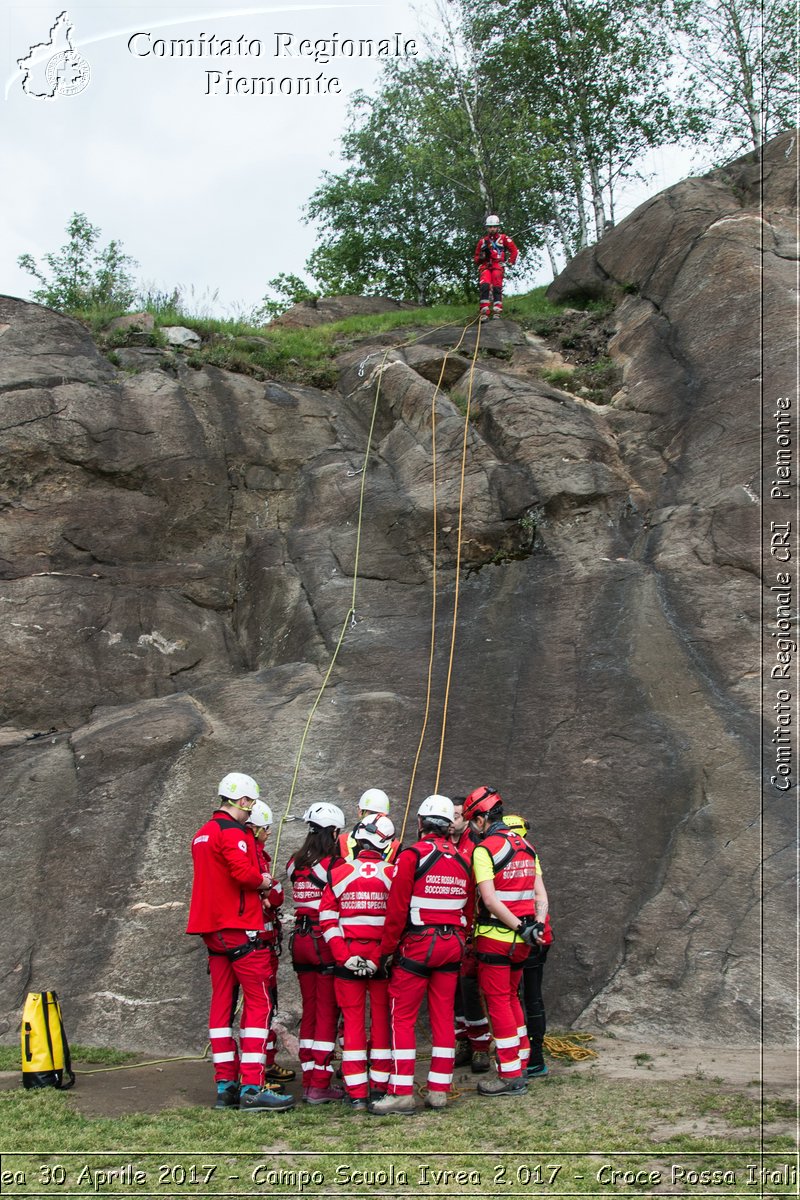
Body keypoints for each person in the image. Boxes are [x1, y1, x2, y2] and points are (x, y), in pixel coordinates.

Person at [186, 772, 294, 1113]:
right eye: (250, 805)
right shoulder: (234, 832)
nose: (251, 814)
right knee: (258, 1007)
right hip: (240, 930)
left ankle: (225, 1085)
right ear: (243, 800)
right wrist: (263, 881)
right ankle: (252, 1085)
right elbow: (243, 874)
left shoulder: (202, 833)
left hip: (212, 931)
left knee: (221, 1008)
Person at [369, 795, 473, 1115]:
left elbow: (397, 910)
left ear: (419, 823)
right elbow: (469, 908)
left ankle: (401, 1091)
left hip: (417, 946)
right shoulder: (462, 859)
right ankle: (439, 1090)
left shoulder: (411, 856)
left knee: (402, 1017)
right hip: (451, 945)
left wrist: (385, 953)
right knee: (443, 1016)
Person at [462, 785, 548, 1098]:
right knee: (512, 998)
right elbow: (541, 894)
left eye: (474, 820)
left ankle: (510, 1075)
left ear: (482, 818)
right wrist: (533, 926)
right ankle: (522, 1062)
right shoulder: (525, 845)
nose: (473, 827)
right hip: (524, 941)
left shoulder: (484, 850)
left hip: (496, 939)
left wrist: (516, 926)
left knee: (498, 1002)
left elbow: (490, 899)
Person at [319, 815, 396, 1109]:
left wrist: (344, 956)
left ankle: (356, 1092)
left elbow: (326, 918)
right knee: (380, 1022)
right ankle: (379, 1086)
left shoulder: (338, 873)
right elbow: (396, 921)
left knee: (351, 1024)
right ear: (386, 844)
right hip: (381, 962)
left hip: (346, 960)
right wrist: (378, 958)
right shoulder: (394, 873)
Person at [286, 801, 346, 1104]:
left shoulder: (294, 862)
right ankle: (319, 1083)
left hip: (300, 940)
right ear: (334, 832)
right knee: (327, 1012)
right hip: (323, 941)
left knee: (310, 1009)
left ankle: (309, 1075)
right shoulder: (334, 866)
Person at [245, 799, 295, 1089]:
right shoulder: (252, 856)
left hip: (265, 943)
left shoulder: (258, 855)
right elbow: (272, 895)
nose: (268, 834)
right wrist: (268, 891)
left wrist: (269, 891)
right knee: (260, 1007)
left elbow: (273, 895)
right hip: (256, 945)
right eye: (265, 829)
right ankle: (257, 1070)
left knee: (268, 1006)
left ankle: (266, 1061)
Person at [504, 813, 553, 1080]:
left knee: (518, 997)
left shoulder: (517, 854)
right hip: (534, 933)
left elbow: (537, 895)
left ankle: (528, 1057)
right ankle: (531, 1056)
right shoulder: (528, 852)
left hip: (522, 934)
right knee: (528, 996)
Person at [450, 798, 491, 1073]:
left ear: (467, 819)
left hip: (471, 926)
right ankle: (463, 1040)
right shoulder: (437, 845)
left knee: (469, 987)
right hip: (446, 928)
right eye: (448, 815)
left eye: (457, 815)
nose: (452, 820)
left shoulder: (475, 847)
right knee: (451, 991)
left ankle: (480, 1046)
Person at [474, 215, 519, 322]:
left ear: (498, 227)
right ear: (487, 228)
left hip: (497, 265)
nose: (492, 229)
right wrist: (480, 258)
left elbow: (514, 251)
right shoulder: (482, 242)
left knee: (497, 287)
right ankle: (484, 312)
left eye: (494, 226)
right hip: (485, 266)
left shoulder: (504, 238)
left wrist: (509, 263)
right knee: (484, 285)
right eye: (490, 227)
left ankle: (497, 311)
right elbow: (476, 258)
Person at [338, 788, 401, 862]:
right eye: (371, 813)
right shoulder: (341, 843)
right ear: (360, 812)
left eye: (380, 815)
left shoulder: (394, 847)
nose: (375, 819)